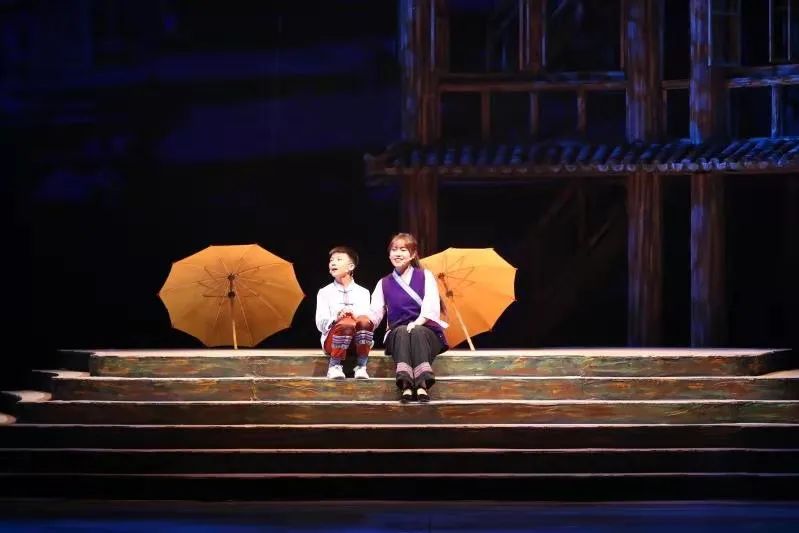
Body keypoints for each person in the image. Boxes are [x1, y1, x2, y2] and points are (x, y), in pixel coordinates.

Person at [367, 233, 448, 402]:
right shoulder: (384, 283)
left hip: (426, 332)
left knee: (416, 331)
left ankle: (422, 385)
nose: (397, 253)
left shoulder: (425, 276)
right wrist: (362, 323)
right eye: (394, 249)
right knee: (403, 331)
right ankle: (406, 385)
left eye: (403, 250)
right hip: (398, 335)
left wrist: (417, 323)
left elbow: (431, 305)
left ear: (412, 254)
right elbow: (375, 313)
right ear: (389, 254)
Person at [315, 246, 374, 379]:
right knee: (346, 323)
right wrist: (336, 318)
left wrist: (354, 316)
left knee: (364, 321)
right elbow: (320, 324)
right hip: (332, 342)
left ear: (350, 267)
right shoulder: (324, 292)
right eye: (331, 260)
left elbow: (366, 321)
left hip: (356, 342)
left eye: (339, 259)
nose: (333, 263)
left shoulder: (363, 292)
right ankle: (334, 366)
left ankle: (361, 366)